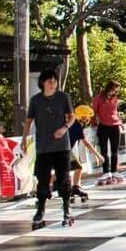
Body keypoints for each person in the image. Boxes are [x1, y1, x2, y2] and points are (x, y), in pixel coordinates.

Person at [22, 68, 75, 229]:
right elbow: (29, 121)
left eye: (55, 81)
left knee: (63, 178)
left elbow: (72, 117)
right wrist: (24, 139)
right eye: (50, 81)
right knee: (42, 179)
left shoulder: (63, 97)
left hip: (62, 146)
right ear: (43, 83)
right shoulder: (36, 100)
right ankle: (40, 209)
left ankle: (67, 208)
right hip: (43, 147)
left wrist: (64, 128)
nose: (53, 84)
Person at [68, 105, 103, 202]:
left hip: (67, 150)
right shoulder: (76, 126)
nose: (87, 119)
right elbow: (86, 143)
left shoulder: (74, 124)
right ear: (81, 116)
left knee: (78, 167)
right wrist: (98, 155)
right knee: (62, 172)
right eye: (86, 116)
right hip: (64, 150)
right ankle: (42, 187)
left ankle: (75, 187)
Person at [92, 80, 123, 185]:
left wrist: (120, 122)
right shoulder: (99, 98)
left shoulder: (115, 98)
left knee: (115, 151)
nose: (116, 90)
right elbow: (94, 111)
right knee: (104, 150)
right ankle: (106, 171)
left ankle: (114, 171)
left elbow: (115, 112)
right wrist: (93, 123)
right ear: (110, 87)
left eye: (117, 88)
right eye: (115, 88)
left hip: (115, 126)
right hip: (103, 126)